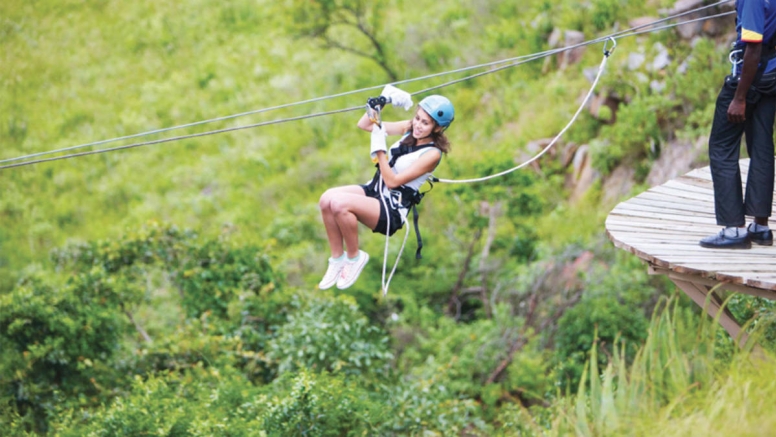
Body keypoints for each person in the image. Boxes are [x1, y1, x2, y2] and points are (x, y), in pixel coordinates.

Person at [317, 87, 454, 289]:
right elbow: (365, 125)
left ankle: (354, 257)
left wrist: (379, 150)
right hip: (375, 190)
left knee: (339, 204)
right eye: (417, 118)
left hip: (391, 209)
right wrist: (382, 102)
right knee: (326, 199)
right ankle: (337, 259)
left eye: (425, 123)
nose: (417, 125)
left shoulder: (432, 154)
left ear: (437, 128)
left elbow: (392, 182)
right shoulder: (410, 128)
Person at [700, 0, 776, 249]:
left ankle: (734, 230)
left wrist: (739, 98)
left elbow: (753, 49)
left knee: (722, 148)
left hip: (753, 75)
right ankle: (761, 227)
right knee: (762, 145)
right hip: (772, 75)